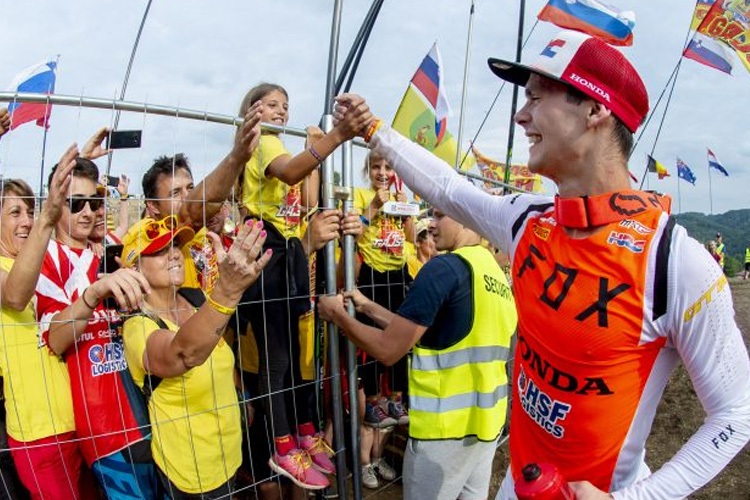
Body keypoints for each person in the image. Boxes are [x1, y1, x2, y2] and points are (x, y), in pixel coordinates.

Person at [332, 29, 750, 500]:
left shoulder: (675, 260)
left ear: (595, 110)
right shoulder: (529, 219)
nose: (521, 114)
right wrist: (373, 131)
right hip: (520, 484)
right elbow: (448, 189)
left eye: (535, 97)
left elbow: (736, 413)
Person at [318, 209, 517, 500]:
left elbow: (389, 350)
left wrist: (338, 317)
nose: (430, 225)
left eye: (440, 215)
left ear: (465, 216)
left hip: (442, 436)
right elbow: (431, 331)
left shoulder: (444, 268)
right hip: (486, 428)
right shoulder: (493, 274)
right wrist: (367, 307)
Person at [234, 82, 366, 490]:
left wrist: (321, 148)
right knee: (276, 361)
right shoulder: (265, 142)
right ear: (251, 110)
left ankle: (303, 431)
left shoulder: (276, 144)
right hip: (269, 247)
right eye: (271, 104)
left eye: (285, 106)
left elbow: (300, 185)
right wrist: (336, 137)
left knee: (291, 356)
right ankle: (282, 444)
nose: (280, 112)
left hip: (286, 250)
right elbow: (293, 171)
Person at [35, 155, 159, 499]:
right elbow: (56, 339)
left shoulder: (107, 251)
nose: (89, 211)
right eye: (77, 204)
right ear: (57, 205)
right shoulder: (46, 259)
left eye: (95, 201)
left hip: (147, 409)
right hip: (104, 427)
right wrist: (92, 295)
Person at [120, 216, 271, 499]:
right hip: (191, 470)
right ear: (134, 267)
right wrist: (228, 290)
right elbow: (184, 353)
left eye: (175, 244)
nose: (174, 253)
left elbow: (219, 348)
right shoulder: (138, 326)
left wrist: (241, 397)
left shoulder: (197, 297)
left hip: (227, 452)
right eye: (159, 250)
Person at [0, 149, 99, 500]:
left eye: (30, 210)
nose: (27, 220)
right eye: (15, 212)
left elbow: (70, 209)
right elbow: (14, 295)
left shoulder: (43, 256)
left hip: (81, 421)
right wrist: (48, 215)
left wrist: (80, 159)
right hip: (38, 432)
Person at [141, 101, 263, 292]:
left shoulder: (209, 234)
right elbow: (191, 211)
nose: (187, 196)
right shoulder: (145, 236)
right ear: (153, 206)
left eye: (190, 188)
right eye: (175, 193)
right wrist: (236, 158)